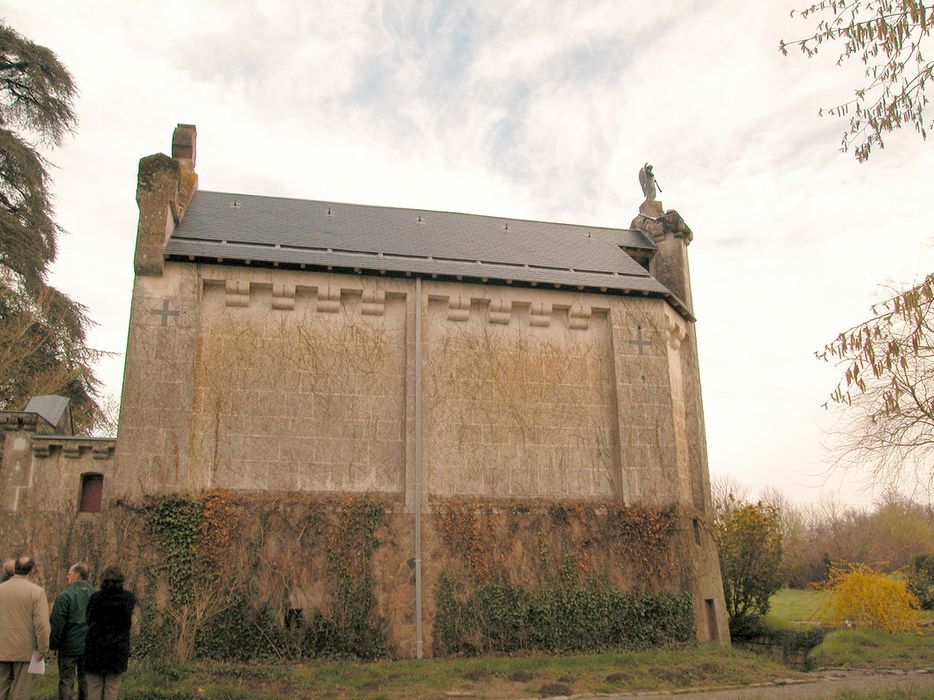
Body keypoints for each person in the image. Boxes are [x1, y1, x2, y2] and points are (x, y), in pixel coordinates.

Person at [0, 556, 51, 700]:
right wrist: (43, 648)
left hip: (1, 647)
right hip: (25, 650)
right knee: (21, 693)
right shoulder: (36, 592)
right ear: (31, 571)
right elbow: (42, 624)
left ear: (14, 568)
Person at [83, 567, 135, 700]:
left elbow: (88, 620)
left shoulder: (95, 598)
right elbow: (128, 623)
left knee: (94, 688)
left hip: (95, 648)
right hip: (117, 649)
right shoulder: (128, 598)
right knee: (112, 688)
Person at [50, 563, 96, 700]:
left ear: (77, 575)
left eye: (69, 574)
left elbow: (57, 623)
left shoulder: (65, 596)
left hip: (68, 646)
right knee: (86, 680)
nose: (67, 576)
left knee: (66, 681)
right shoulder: (96, 595)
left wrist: (53, 645)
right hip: (89, 645)